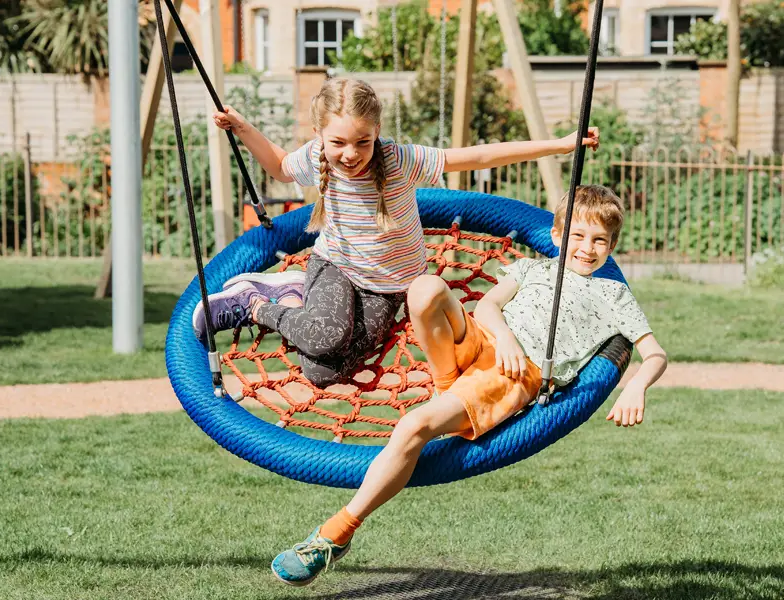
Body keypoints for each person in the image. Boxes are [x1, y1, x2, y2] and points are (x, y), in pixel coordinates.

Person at [269, 184, 668, 586]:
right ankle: (447, 384)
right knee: (424, 288)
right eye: (577, 236)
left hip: (513, 374)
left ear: (612, 245)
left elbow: (656, 354)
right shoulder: (534, 268)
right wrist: (505, 338)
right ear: (556, 236)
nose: (587, 248)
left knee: (412, 427)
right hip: (484, 338)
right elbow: (489, 306)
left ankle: (333, 535)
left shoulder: (613, 294)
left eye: (599, 240)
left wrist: (635, 386)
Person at [195, 77, 600, 388]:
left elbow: (478, 155)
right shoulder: (318, 156)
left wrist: (559, 146)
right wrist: (243, 129)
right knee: (326, 336)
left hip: (388, 288)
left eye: (362, 141)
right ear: (320, 135)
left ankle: (293, 297)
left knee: (321, 371)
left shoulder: (399, 160)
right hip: (336, 266)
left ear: (377, 132)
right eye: (338, 142)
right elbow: (281, 167)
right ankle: (255, 304)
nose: (350, 154)